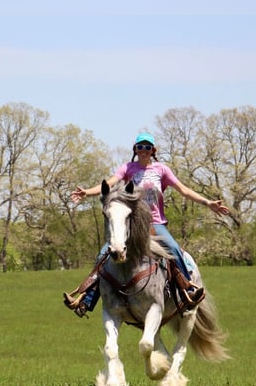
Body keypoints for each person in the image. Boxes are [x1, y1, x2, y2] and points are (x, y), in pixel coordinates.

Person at [64, 132, 230, 317]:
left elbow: (183, 190)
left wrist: (208, 203)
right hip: (132, 225)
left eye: (147, 147)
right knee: (103, 254)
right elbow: (109, 183)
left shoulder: (162, 170)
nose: (144, 150)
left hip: (155, 224)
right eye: (140, 147)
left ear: (153, 150)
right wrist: (87, 192)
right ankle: (86, 300)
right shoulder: (127, 168)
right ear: (135, 149)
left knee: (174, 249)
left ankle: (187, 291)